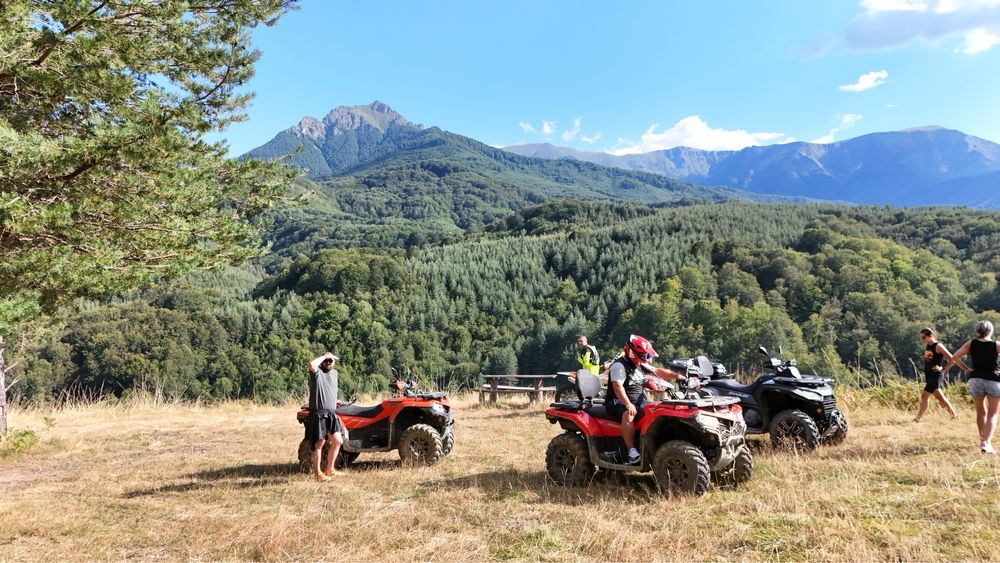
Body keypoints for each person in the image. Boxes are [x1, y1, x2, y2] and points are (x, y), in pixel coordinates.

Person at [604, 334, 684, 464]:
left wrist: (677, 376)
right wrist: (628, 404)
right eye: (643, 355)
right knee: (628, 414)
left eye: (646, 355)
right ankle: (631, 452)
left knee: (657, 409)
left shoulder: (640, 364)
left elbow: (658, 371)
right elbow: (617, 386)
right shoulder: (619, 366)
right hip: (617, 402)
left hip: (638, 401)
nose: (645, 357)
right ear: (632, 352)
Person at [942, 320, 1000, 454]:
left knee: (980, 412)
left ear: (977, 331)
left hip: (975, 380)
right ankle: (986, 443)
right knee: (992, 414)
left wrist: (966, 368)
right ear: (991, 331)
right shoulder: (996, 345)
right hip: (993, 380)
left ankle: (982, 441)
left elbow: (955, 357)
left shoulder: (971, 343)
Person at [307, 352, 345, 480]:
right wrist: (325, 356)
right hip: (318, 414)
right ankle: (318, 474)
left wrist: (335, 401)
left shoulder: (335, 373)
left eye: (330, 360)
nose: (328, 362)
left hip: (331, 414)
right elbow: (311, 364)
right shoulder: (316, 373)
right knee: (319, 444)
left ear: (334, 362)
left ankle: (330, 470)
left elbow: (330, 389)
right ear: (322, 361)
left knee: (338, 441)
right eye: (326, 360)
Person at [913, 327, 961, 422]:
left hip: (936, 376)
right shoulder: (928, 345)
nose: (922, 340)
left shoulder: (938, 346)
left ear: (930, 336)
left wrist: (943, 369)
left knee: (924, 396)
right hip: (929, 375)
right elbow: (929, 360)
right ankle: (954, 416)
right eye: (921, 337)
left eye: (923, 337)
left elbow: (952, 359)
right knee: (940, 397)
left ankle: (917, 419)